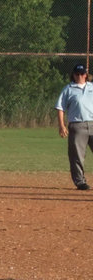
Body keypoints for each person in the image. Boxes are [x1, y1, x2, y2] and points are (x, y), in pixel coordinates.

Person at [56, 62, 93, 190]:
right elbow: (60, 108)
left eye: (82, 73)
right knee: (77, 155)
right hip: (77, 125)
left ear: (86, 75)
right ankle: (80, 182)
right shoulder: (68, 89)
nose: (79, 76)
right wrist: (62, 125)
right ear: (73, 75)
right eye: (77, 74)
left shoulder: (91, 87)